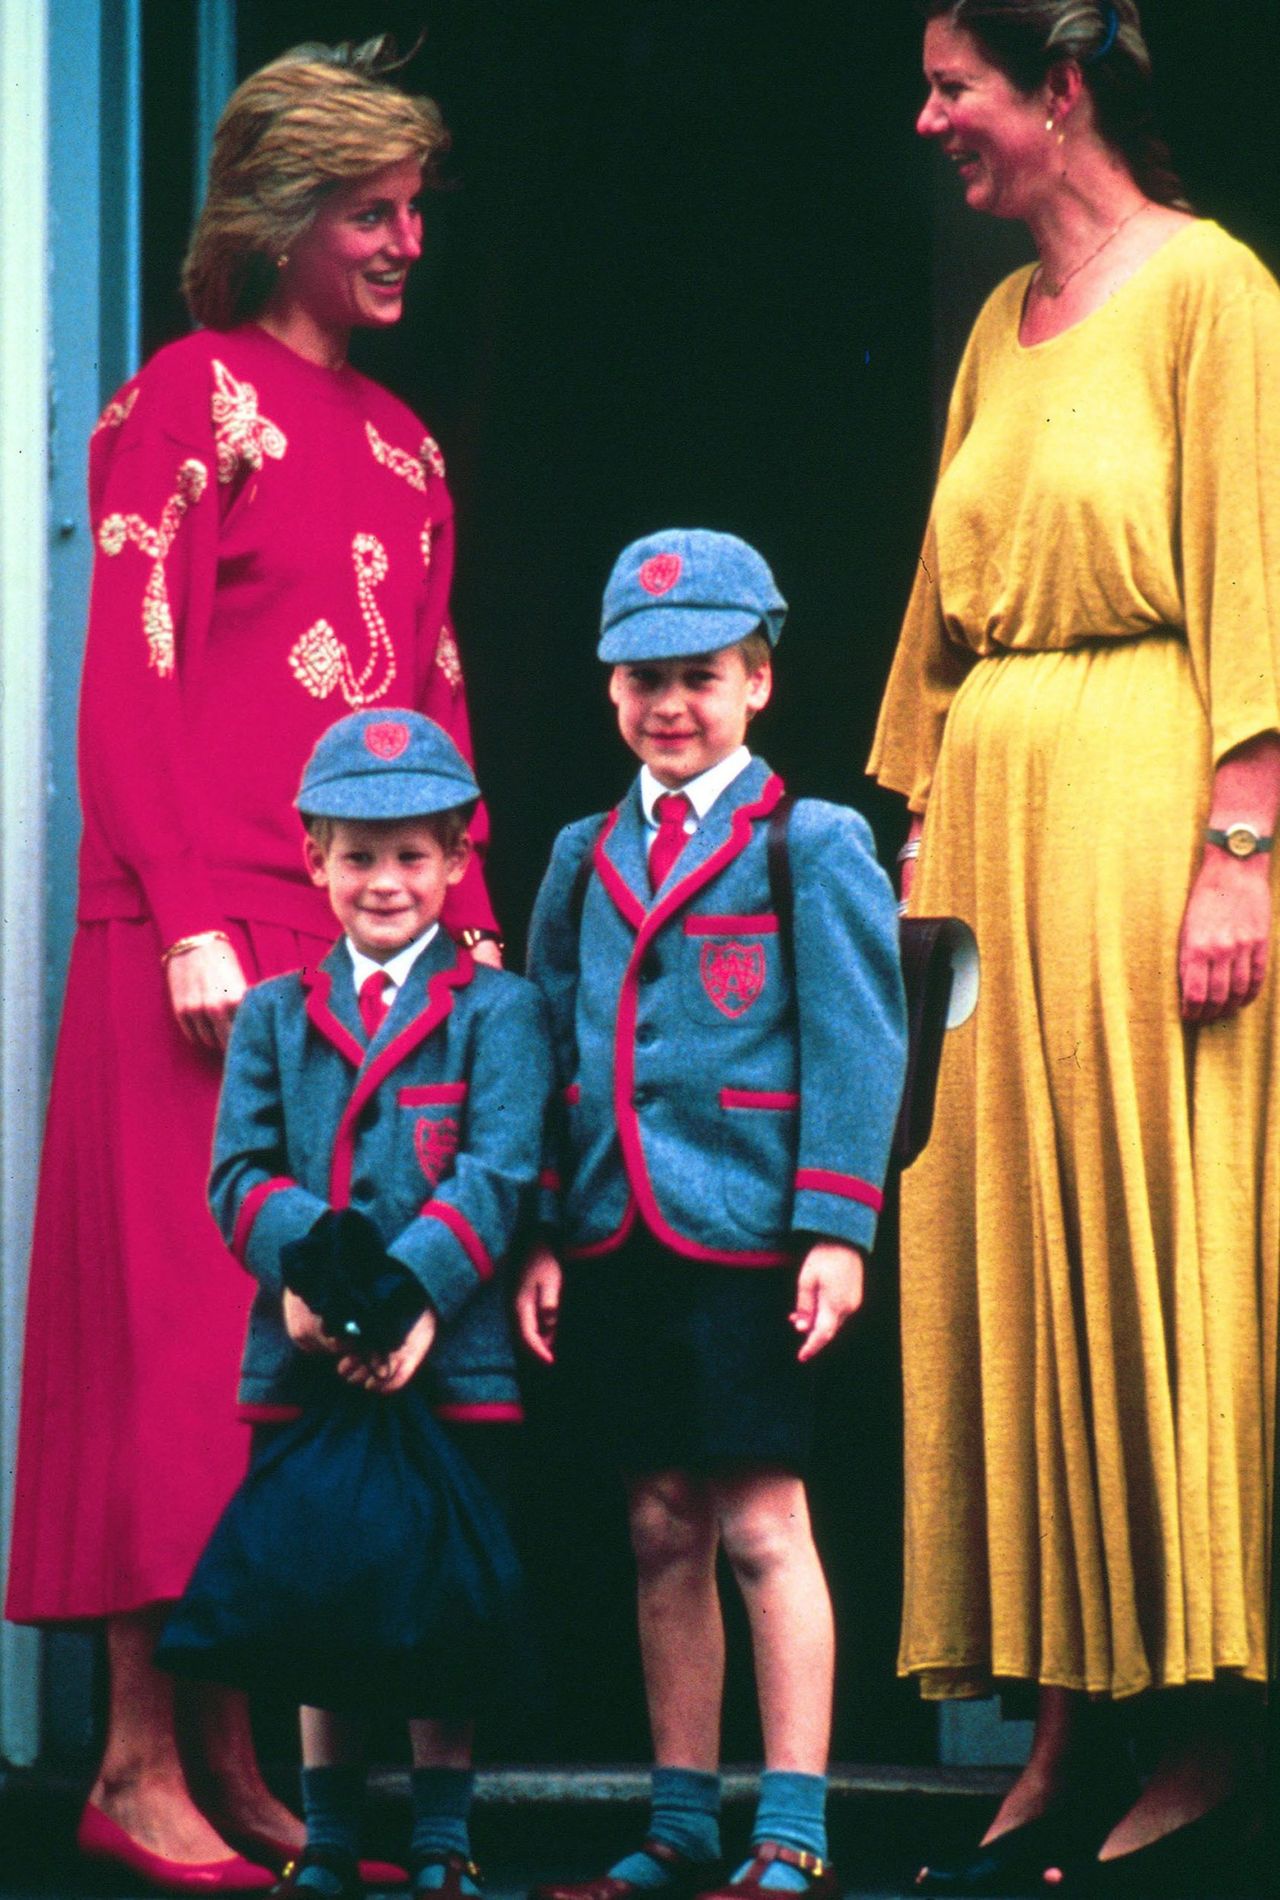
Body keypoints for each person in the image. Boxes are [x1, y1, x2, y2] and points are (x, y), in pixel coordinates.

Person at [6, 38, 503, 1891]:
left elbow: (435, 701)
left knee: (271, 1368)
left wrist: (468, 935)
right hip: (193, 936)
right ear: (285, 214)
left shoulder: (406, 445)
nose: (405, 241)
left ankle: (228, 1756)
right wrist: (188, 917)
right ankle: (136, 1761)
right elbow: (124, 682)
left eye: (414, 209)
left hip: (345, 953)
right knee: (164, 1338)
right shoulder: (187, 401)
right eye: (373, 210)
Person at [869, 2, 1280, 1891]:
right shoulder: (987, 330)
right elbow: (934, 628)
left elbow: (1259, 571)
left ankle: (1194, 1728)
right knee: (1007, 1244)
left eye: (958, 84)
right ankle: (1054, 1727)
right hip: (995, 835)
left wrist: (1242, 850)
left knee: (1147, 1235)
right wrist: (920, 834)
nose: (932, 116)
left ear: (1064, 90)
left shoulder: (1212, 293)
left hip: (1147, 809)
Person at [517, 529, 905, 1900]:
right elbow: (552, 1047)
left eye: (698, 676)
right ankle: (681, 1820)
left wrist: (837, 1229)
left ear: (759, 683)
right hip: (619, 1234)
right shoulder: (580, 853)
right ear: (611, 691)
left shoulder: (812, 840)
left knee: (759, 1522)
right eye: (640, 680)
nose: (667, 706)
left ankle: (789, 1823)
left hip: (752, 1240)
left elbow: (860, 1044)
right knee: (659, 1525)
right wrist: (548, 1228)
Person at [203, 706, 552, 1900]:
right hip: (304, 1347)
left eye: (412, 855)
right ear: (314, 860)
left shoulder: (499, 1012)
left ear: (458, 861)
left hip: (446, 1352)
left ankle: (446, 1837)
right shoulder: (271, 1014)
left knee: (434, 1598)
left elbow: (498, 1170)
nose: (385, 881)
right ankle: (332, 1834)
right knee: (323, 1593)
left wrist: (407, 1305)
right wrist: (314, 1293)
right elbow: (238, 1175)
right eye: (357, 854)